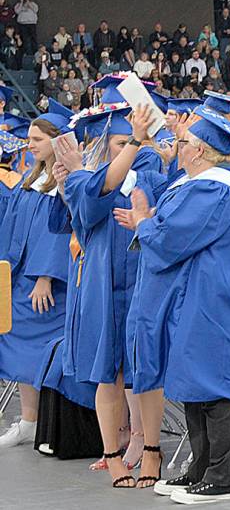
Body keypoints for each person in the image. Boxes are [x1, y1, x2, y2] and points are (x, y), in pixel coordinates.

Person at [115, 106, 230, 503]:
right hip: (202, 297)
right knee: (195, 382)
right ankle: (201, 468)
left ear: (198, 151)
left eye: (182, 142)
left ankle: (223, 478)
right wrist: (149, 220)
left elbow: (171, 238)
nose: (175, 146)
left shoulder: (215, 188)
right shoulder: (199, 182)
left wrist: (144, 222)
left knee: (214, 384)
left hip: (219, 300)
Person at [51, 106, 169, 486]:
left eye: (129, 142)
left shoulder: (149, 173)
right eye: (118, 143)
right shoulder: (83, 180)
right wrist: (73, 179)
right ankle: (112, 454)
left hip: (141, 280)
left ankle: (151, 449)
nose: (128, 148)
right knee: (111, 373)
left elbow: (159, 208)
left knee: (146, 369)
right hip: (104, 284)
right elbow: (90, 199)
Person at [0, 107, 72, 449]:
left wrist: (45, 275)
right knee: (17, 345)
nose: (30, 145)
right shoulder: (30, 181)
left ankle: (49, 424)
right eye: (29, 139)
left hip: (48, 284)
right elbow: (10, 228)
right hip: (20, 278)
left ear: (57, 141)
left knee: (43, 351)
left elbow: (59, 233)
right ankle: (29, 421)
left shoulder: (64, 184)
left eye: (37, 139)